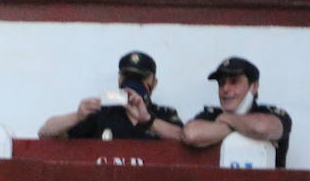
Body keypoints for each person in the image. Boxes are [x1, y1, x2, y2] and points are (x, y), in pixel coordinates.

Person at [38, 50, 183, 141]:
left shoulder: (164, 114)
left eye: (140, 78)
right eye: (127, 76)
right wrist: (77, 116)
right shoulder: (103, 113)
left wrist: (148, 121)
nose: (132, 83)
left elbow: (185, 138)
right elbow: (45, 133)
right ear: (119, 79)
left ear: (154, 83)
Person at [183, 57, 292, 168]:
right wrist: (244, 129)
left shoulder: (270, 114)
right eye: (221, 83)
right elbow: (192, 134)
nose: (225, 89)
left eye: (234, 82)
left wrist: (226, 120)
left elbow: (262, 128)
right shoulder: (211, 114)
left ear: (253, 86)